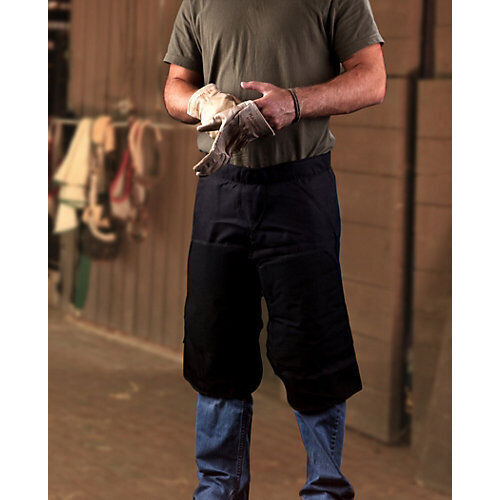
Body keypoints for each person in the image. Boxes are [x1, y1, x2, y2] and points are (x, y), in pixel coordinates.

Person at [163, 0, 386, 498]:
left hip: (300, 189)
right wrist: (201, 103)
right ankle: (219, 491)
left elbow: (372, 80)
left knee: (314, 346)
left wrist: (296, 103)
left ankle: (325, 491)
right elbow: (175, 86)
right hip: (222, 189)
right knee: (216, 347)